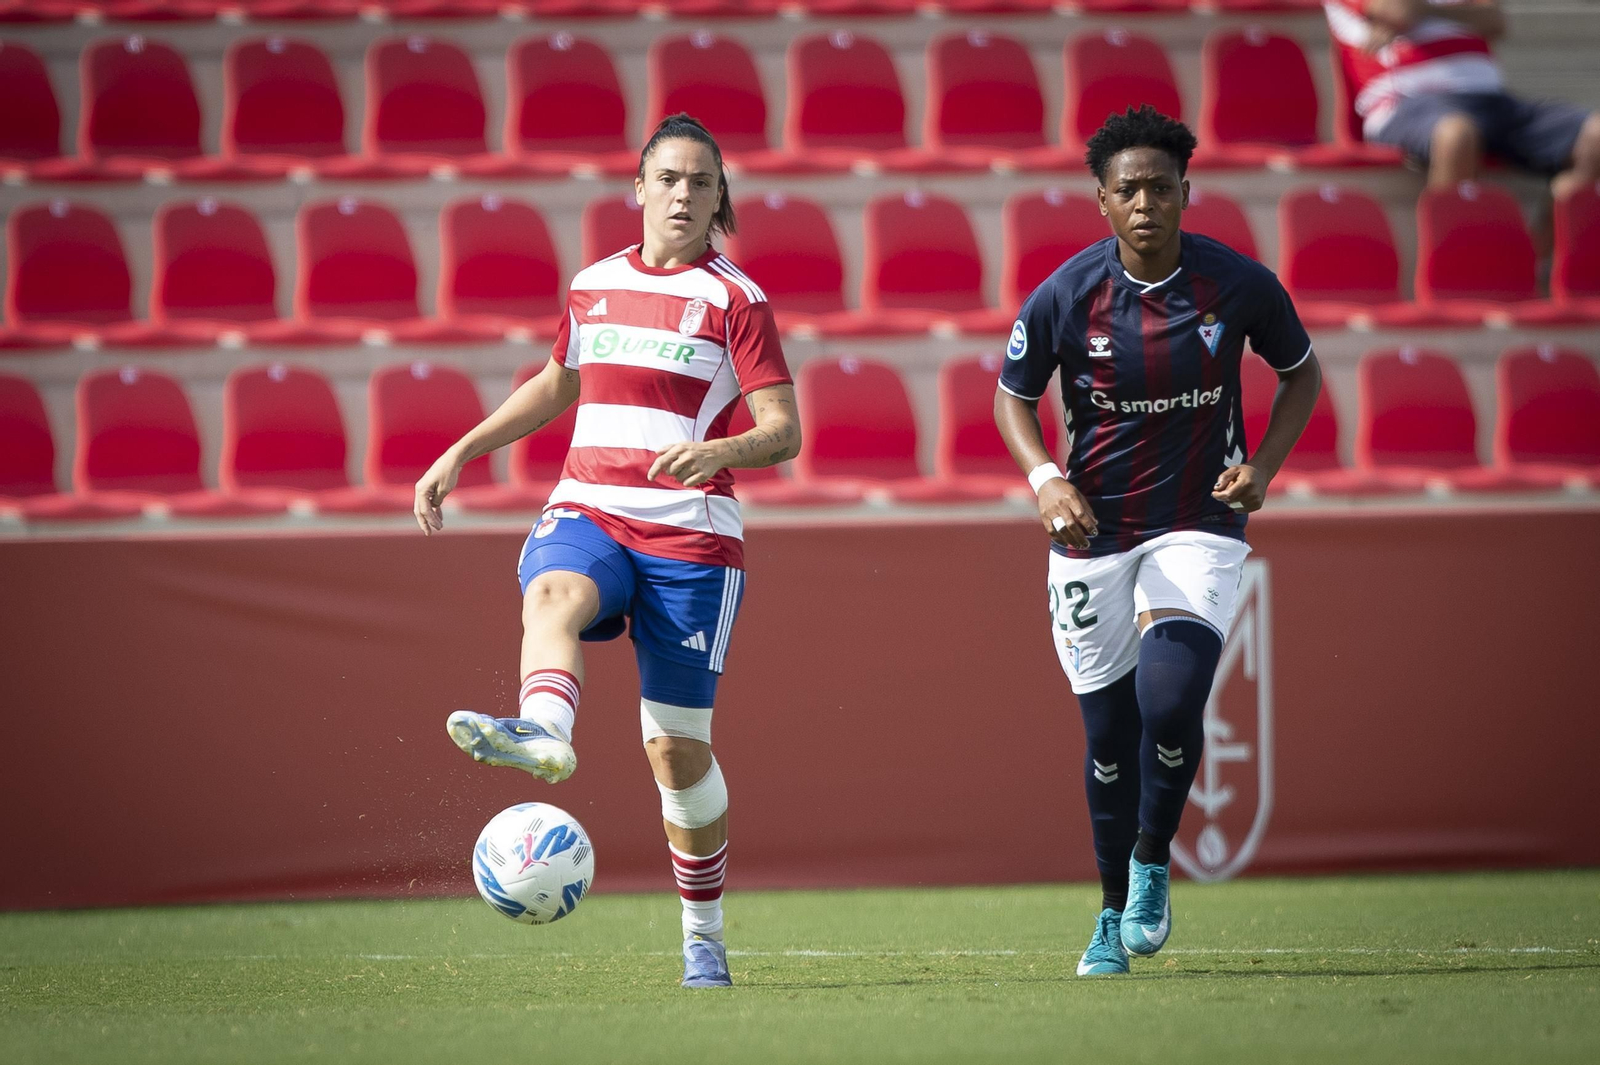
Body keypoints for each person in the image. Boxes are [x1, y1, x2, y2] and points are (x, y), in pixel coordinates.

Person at [414, 113, 799, 990]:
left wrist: (719, 451)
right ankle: (546, 732)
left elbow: (784, 431)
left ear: (718, 198)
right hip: (589, 503)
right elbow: (557, 384)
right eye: (668, 178)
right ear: (638, 188)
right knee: (552, 590)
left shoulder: (737, 301)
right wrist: (461, 451)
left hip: (691, 533)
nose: (684, 195)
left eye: (702, 182)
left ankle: (703, 936)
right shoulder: (593, 285)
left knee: (675, 752)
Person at [993, 105, 1322, 976]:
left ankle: (1149, 863)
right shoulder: (1067, 293)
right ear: (1101, 200)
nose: (1146, 204)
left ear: (1187, 193)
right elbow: (1011, 397)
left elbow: (1301, 372)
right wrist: (1045, 480)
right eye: (1128, 189)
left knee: (1171, 701)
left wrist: (1266, 468)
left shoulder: (1237, 285)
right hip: (1094, 533)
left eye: (1161, 188)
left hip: (1199, 523)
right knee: (1108, 738)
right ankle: (1108, 913)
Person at [1326, 0, 1600, 197]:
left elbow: (1495, 20)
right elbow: (1399, 10)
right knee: (1456, 134)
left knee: (1596, 134)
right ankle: (1447, 259)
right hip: (1405, 105)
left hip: (1492, 102)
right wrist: (1453, 13)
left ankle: (1538, 261)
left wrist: (1425, 11)